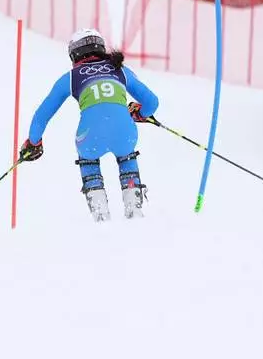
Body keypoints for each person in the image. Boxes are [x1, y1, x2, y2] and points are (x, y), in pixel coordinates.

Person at [19, 28, 161, 221]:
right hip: (125, 134)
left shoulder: (71, 77)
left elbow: (41, 117)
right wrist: (140, 113)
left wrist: (33, 143)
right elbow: (152, 102)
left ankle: (100, 214)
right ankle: (134, 208)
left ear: (74, 54)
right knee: (127, 156)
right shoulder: (120, 70)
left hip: (90, 137)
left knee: (88, 157)